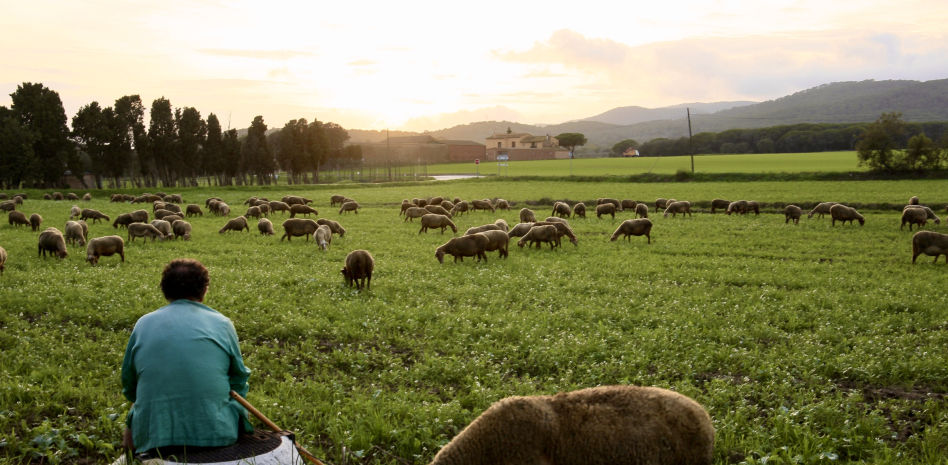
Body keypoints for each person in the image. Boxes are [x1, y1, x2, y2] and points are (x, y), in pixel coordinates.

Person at [121, 258, 252, 455]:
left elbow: (130, 385)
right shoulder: (222, 324)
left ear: (164, 290)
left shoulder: (143, 324)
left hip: (155, 439)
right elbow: (239, 379)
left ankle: (136, 451)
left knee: (135, 410)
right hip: (217, 435)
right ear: (204, 290)